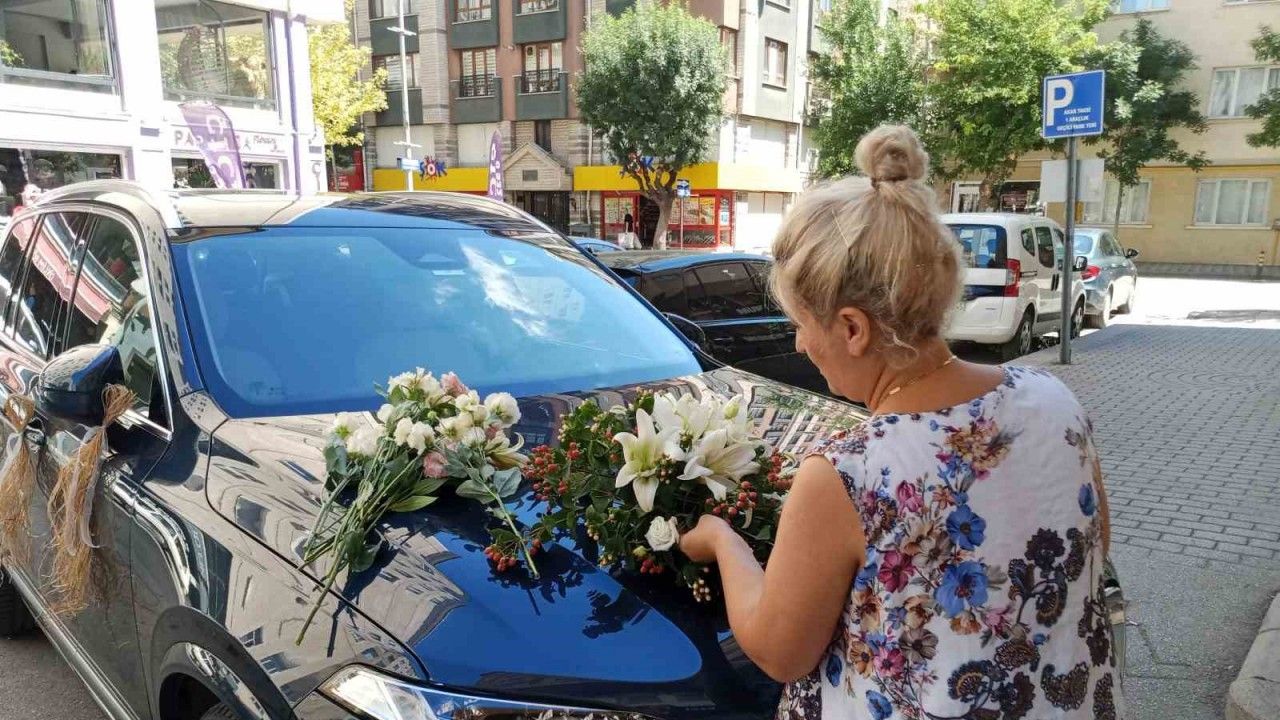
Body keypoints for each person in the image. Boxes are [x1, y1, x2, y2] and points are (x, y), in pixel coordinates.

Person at [680, 125, 1123, 720]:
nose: (800, 342)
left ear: (853, 328)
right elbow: (1093, 547)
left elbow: (780, 652)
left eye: (803, 322)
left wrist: (723, 542)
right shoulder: (1054, 400)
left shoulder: (849, 474)